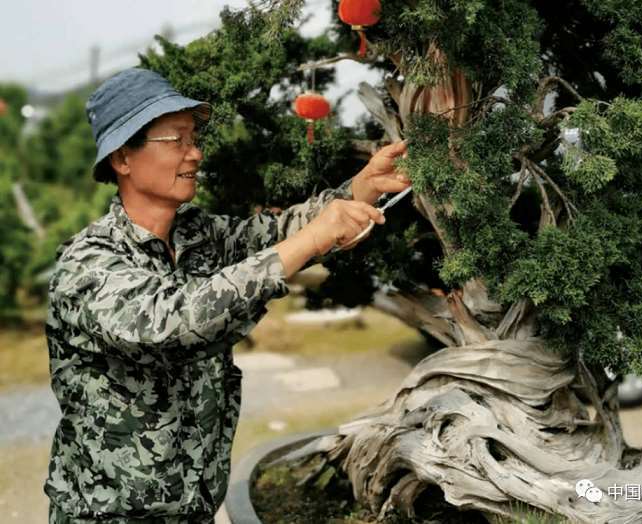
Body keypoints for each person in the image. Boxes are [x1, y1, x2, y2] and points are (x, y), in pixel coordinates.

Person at [44, 67, 410, 523]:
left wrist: (362, 189)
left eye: (194, 138)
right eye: (176, 140)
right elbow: (172, 324)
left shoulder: (199, 234)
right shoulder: (89, 264)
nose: (195, 153)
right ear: (122, 158)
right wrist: (311, 239)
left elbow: (277, 233)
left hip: (196, 510)